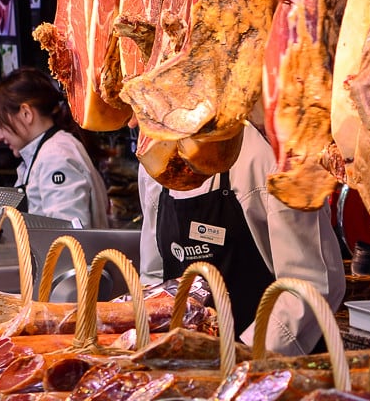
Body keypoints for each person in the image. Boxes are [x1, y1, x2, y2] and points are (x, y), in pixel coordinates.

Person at [138, 120, 346, 356]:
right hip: (186, 368)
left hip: (271, 366)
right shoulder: (157, 163)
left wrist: (244, 357)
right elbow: (153, 276)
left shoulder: (264, 157)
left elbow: (311, 283)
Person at [0, 67, 109, 228]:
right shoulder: (46, 152)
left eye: (1, 125)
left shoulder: (55, 156)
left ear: (26, 113)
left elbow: (68, 237)